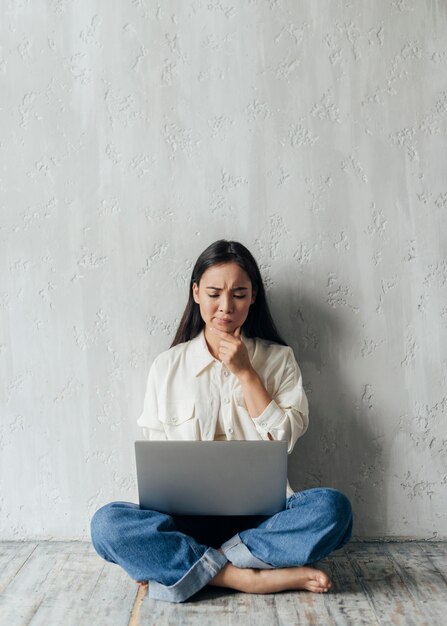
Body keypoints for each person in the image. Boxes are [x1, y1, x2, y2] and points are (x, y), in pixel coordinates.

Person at [90, 239, 353, 603]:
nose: (225, 307)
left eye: (239, 294)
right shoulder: (167, 366)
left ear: (253, 297)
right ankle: (246, 578)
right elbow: (156, 466)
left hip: (262, 523)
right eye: (214, 293)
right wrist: (153, 536)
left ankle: (193, 569)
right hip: (184, 523)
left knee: (333, 510)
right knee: (107, 525)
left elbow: (286, 437)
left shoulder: (279, 359)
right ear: (196, 293)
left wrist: (247, 374)